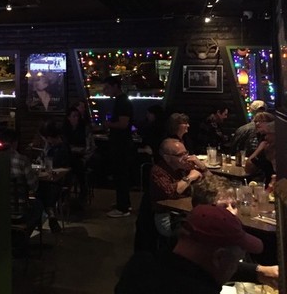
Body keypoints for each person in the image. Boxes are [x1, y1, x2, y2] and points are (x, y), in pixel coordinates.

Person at [115, 204, 264, 294]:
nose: (235, 267)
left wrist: (257, 272)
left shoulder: (139, 265)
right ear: (219, 257)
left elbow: (195, 267)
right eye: (237, 261)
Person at [190, 176, 279, 288]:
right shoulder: (197, 236)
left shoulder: (233, 230)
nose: (232, 212)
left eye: (233, 206)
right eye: (223, 207)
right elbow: (208, 266)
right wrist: (258, 272)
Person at [150, 138, 207, 237]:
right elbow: (170, 192)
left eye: (186, 153)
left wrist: (202, 167)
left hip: (186, 212)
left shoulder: (183, 167)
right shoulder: (158, 171)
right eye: (180, 155)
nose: (186, 157)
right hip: (168, 218)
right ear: (167, 158)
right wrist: (189, 177)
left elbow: (213, 183)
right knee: (202, 233)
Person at [103, 75, 135, 218]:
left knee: (120, 175)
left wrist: (108, 124)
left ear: (115, 86)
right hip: (122, 144)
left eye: (107, 87)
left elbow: (123, 124)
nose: (105, 91)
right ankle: (123, 203)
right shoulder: (121, 101)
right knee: (121, 175)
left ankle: (123, 208)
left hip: (121, 145)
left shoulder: (122, 102)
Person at [1, 129, 43, 237]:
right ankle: (24, 237)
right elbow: (34, 186)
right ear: (15, 143)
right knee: (39, 205)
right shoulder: (22, 160)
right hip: (19, 212)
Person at [61, 102, 94, 203]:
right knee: (70, 163)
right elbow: (63, 145)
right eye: (74, 116)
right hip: (69, 156)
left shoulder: (84, 128)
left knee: (76, 164)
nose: (76, 118)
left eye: (77, 116)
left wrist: (81, 152)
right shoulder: (65, 130)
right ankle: (66, 190)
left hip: (83, 156)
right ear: (68, 118)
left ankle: (77, 191)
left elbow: (90, 146)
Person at [245, 119, 276, 187]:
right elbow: (248, 169)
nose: (265, 137)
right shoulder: (265, 152)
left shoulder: (282, 154)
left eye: (268, 134)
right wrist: (258, 150)